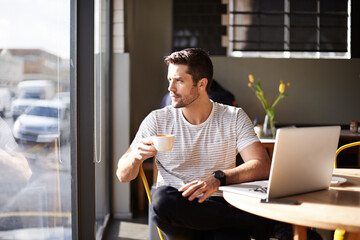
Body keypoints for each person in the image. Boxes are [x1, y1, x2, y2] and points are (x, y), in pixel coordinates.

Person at [116, 48, 273, 239]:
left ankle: (249, 222)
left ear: (202, 84)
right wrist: (134, 157)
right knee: (162, 200)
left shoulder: (233, 117)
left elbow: (262, 165)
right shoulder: (157, 120)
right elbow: (123, 175)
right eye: (169, 80)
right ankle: (259, 222)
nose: (170, 88)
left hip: (220, 205)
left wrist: (218, 179)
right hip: (181, 213)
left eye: (179, 81)